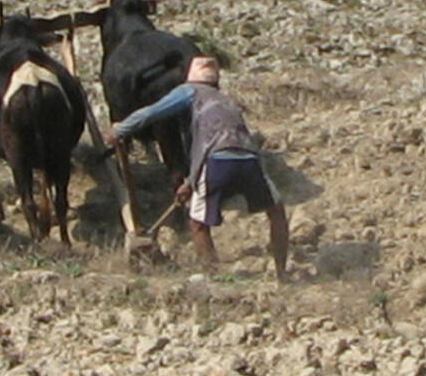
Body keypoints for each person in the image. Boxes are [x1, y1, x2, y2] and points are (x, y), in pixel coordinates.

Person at [105, 56, 292, 280]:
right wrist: (190, 184)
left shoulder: (190, 91)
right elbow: (213, 140)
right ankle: (282, 274)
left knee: (197, 223)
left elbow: (152, 113)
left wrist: (120, 130)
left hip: (217, 161)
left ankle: (213, 277)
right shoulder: (225, 100)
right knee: (276, 210)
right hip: (250, 160)